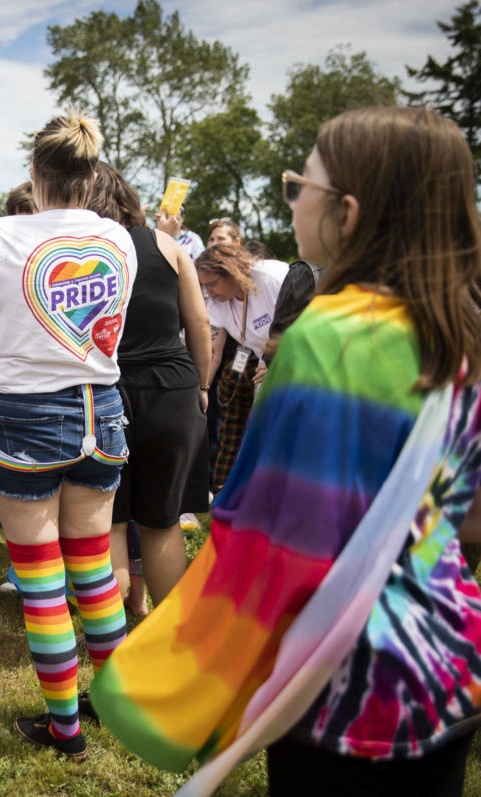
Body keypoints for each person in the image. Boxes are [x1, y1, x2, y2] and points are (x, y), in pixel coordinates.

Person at [92, 105, 481, 797]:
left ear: (348, 213)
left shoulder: (331, 341)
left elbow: (273, 546)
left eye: (300, 184)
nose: (294, 197)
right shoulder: (457, 328)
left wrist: (155, 680)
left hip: (340, 685)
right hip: (447, 655)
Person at [0, 112, 136, 760]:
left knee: (42, 581)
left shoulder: (2, 236)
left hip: (26, 415)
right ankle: (114, 710)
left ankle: (66, 731)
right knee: (94, 573)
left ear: (35, 175)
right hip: (101, 411)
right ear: (89, 178)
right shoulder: (119, 239)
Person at [89, 162, 211, 610]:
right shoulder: (167, 245)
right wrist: (202, 383)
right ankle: (168, 635)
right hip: (173, 390)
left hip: (107, 393)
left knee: (113, 522)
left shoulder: (83, 249)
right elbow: (198, 322)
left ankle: (112, 636)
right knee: (163, 522)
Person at [196, 241, 287, 491]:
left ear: (232, 271)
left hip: (301, 366)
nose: (209, 292)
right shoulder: (216, 303)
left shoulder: (271, 277)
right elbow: (212, 351)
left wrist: (281, 356)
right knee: (258, 438)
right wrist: (202, 387)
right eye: (204, 286)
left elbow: (311, 315)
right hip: (267, 374)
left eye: (213, 284)